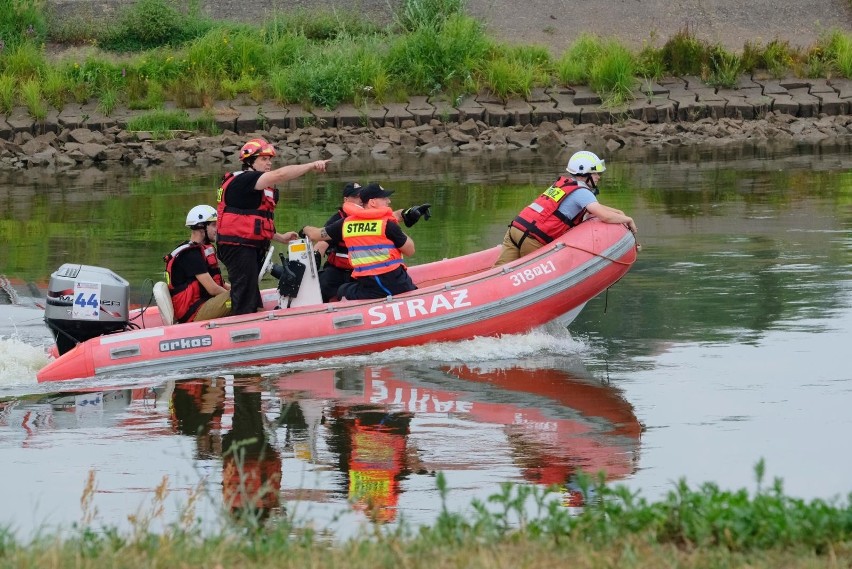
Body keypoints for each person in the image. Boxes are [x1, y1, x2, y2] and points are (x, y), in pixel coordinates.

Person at [216, 137, 330, 315]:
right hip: (238, 246)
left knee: (250, 289)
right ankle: (243, 328)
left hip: (248, 245)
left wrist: (279, 237)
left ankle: (255, 316)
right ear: (249, 162)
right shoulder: (244, 180)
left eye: (270, 159)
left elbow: (255, 220)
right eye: (263, 159)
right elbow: (280, 175)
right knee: (244, 293)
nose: (268, 163)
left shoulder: (256, 185)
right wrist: (311, 165)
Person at [494, 150, 638, 266]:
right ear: (584, 173)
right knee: (532, 280)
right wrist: (628, 219)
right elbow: (604, 216)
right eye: (595, 173)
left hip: (516, 229)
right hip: (533, 239)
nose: (598, 177)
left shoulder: (565, 185)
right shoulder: (582, 192)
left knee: (499, 271)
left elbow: (596, 208)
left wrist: (618, 212)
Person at [315, 182, 432, 302]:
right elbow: (322, 241)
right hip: (341, 271)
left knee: (348, 289)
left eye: (361, 196)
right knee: (326, 284)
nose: (360, 200)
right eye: (356, 197)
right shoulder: (339, 221)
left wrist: (410, 212)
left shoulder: (375, 218)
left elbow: (395, 215)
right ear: (346, 200)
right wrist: (315, 255)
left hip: (365, 274)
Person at [163, 205, 231, 323]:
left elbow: (221, 284)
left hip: (204, 304)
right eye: (214, 225)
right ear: (201, 227)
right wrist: (237, 295)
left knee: (244, 292)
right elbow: (213, 289)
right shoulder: (191, 255)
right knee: (242, 296)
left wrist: (239, 288)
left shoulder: (200, 251)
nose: (217, 229)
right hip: (194, 312)